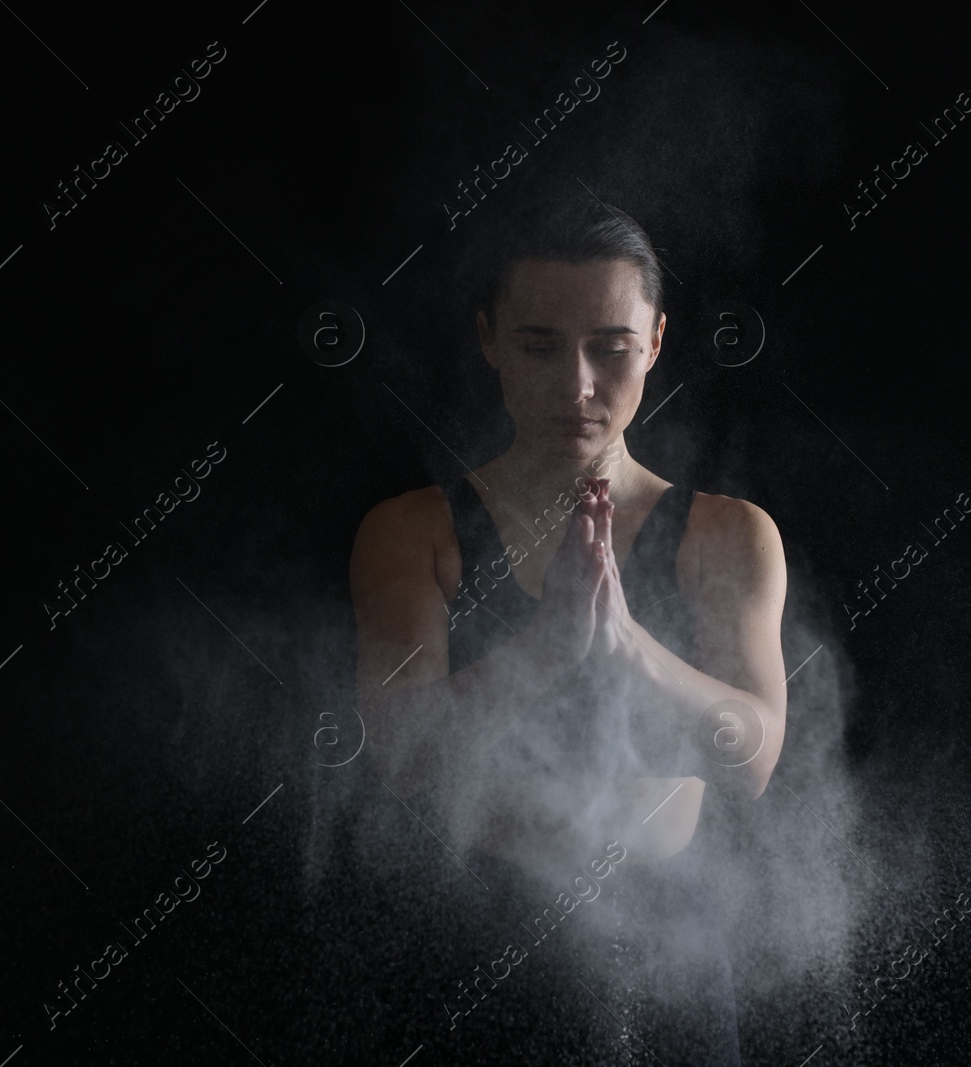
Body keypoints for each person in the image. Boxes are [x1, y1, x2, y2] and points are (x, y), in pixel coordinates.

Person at [348, 197, 789, 1064]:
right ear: (490, 340)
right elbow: (399, 759)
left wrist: (625, 644)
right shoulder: (415, 530)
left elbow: (755, 759)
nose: (576, 386)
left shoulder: (727, 534)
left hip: (673, 946)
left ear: (656, 342)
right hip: (480, 945)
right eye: (540, 345)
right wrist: (544, 645)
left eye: (610, 349)